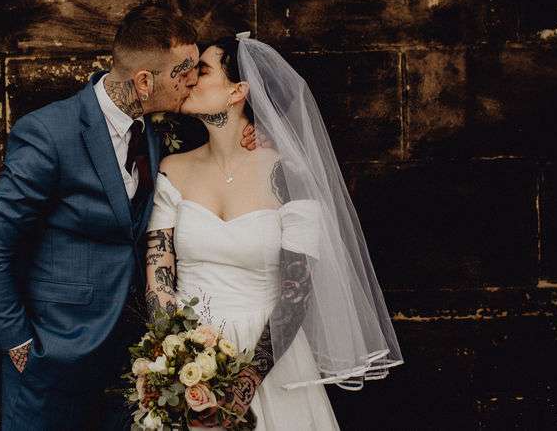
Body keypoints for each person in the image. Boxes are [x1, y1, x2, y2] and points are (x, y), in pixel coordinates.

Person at [0, 3, 258, 430]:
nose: (192, 81)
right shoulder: (49, 133)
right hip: (53, 357)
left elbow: (223, 139)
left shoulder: (159, 129)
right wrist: (18, 343)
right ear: (144, 81)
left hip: (131, 368)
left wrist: (253, 133)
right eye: (183, 72)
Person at [145, 33, 404, 430]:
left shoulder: (288, 176)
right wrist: (178, 361)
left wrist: (243, 386)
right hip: (189, 353)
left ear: (238, 91)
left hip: (271, 356)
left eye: (202, 71)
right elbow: (159, 276)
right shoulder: (171, 168)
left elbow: (296, 293)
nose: (189, 80)